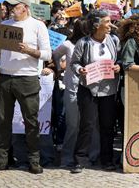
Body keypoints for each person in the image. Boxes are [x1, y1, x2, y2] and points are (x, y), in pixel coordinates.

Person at [0, 0, 52, 175]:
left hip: (27, 79)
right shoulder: (4, 25)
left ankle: (34, 160)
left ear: (25, 7)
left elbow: (47, 54)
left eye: (15, 6)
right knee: (2, 121)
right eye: (9, 6)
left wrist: (29, 50)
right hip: (5, 78)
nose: (11, 9)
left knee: (31, 121)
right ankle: (1, 160)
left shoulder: (38, 26)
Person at [70, 10, 121, 173]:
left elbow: (119, 59)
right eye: (107, 22)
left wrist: (118, 66)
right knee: (87, 125)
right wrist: (80, 70)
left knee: (107, 126)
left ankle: (107, 160)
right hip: (88, 89)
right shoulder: (83, 43)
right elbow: (74, 63)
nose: (110, 25)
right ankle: (80, 159)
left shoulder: (114, 40)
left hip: (108, 89)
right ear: (97, 25)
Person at [51, 21, 97, 168]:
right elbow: (55, 54)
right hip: (73, 89)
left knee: (91, 124)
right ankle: (67, 157)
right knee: (73, 125)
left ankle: (92, 155)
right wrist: (59, 69)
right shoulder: (67, 45)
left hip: (91, 88)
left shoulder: (93, 44)